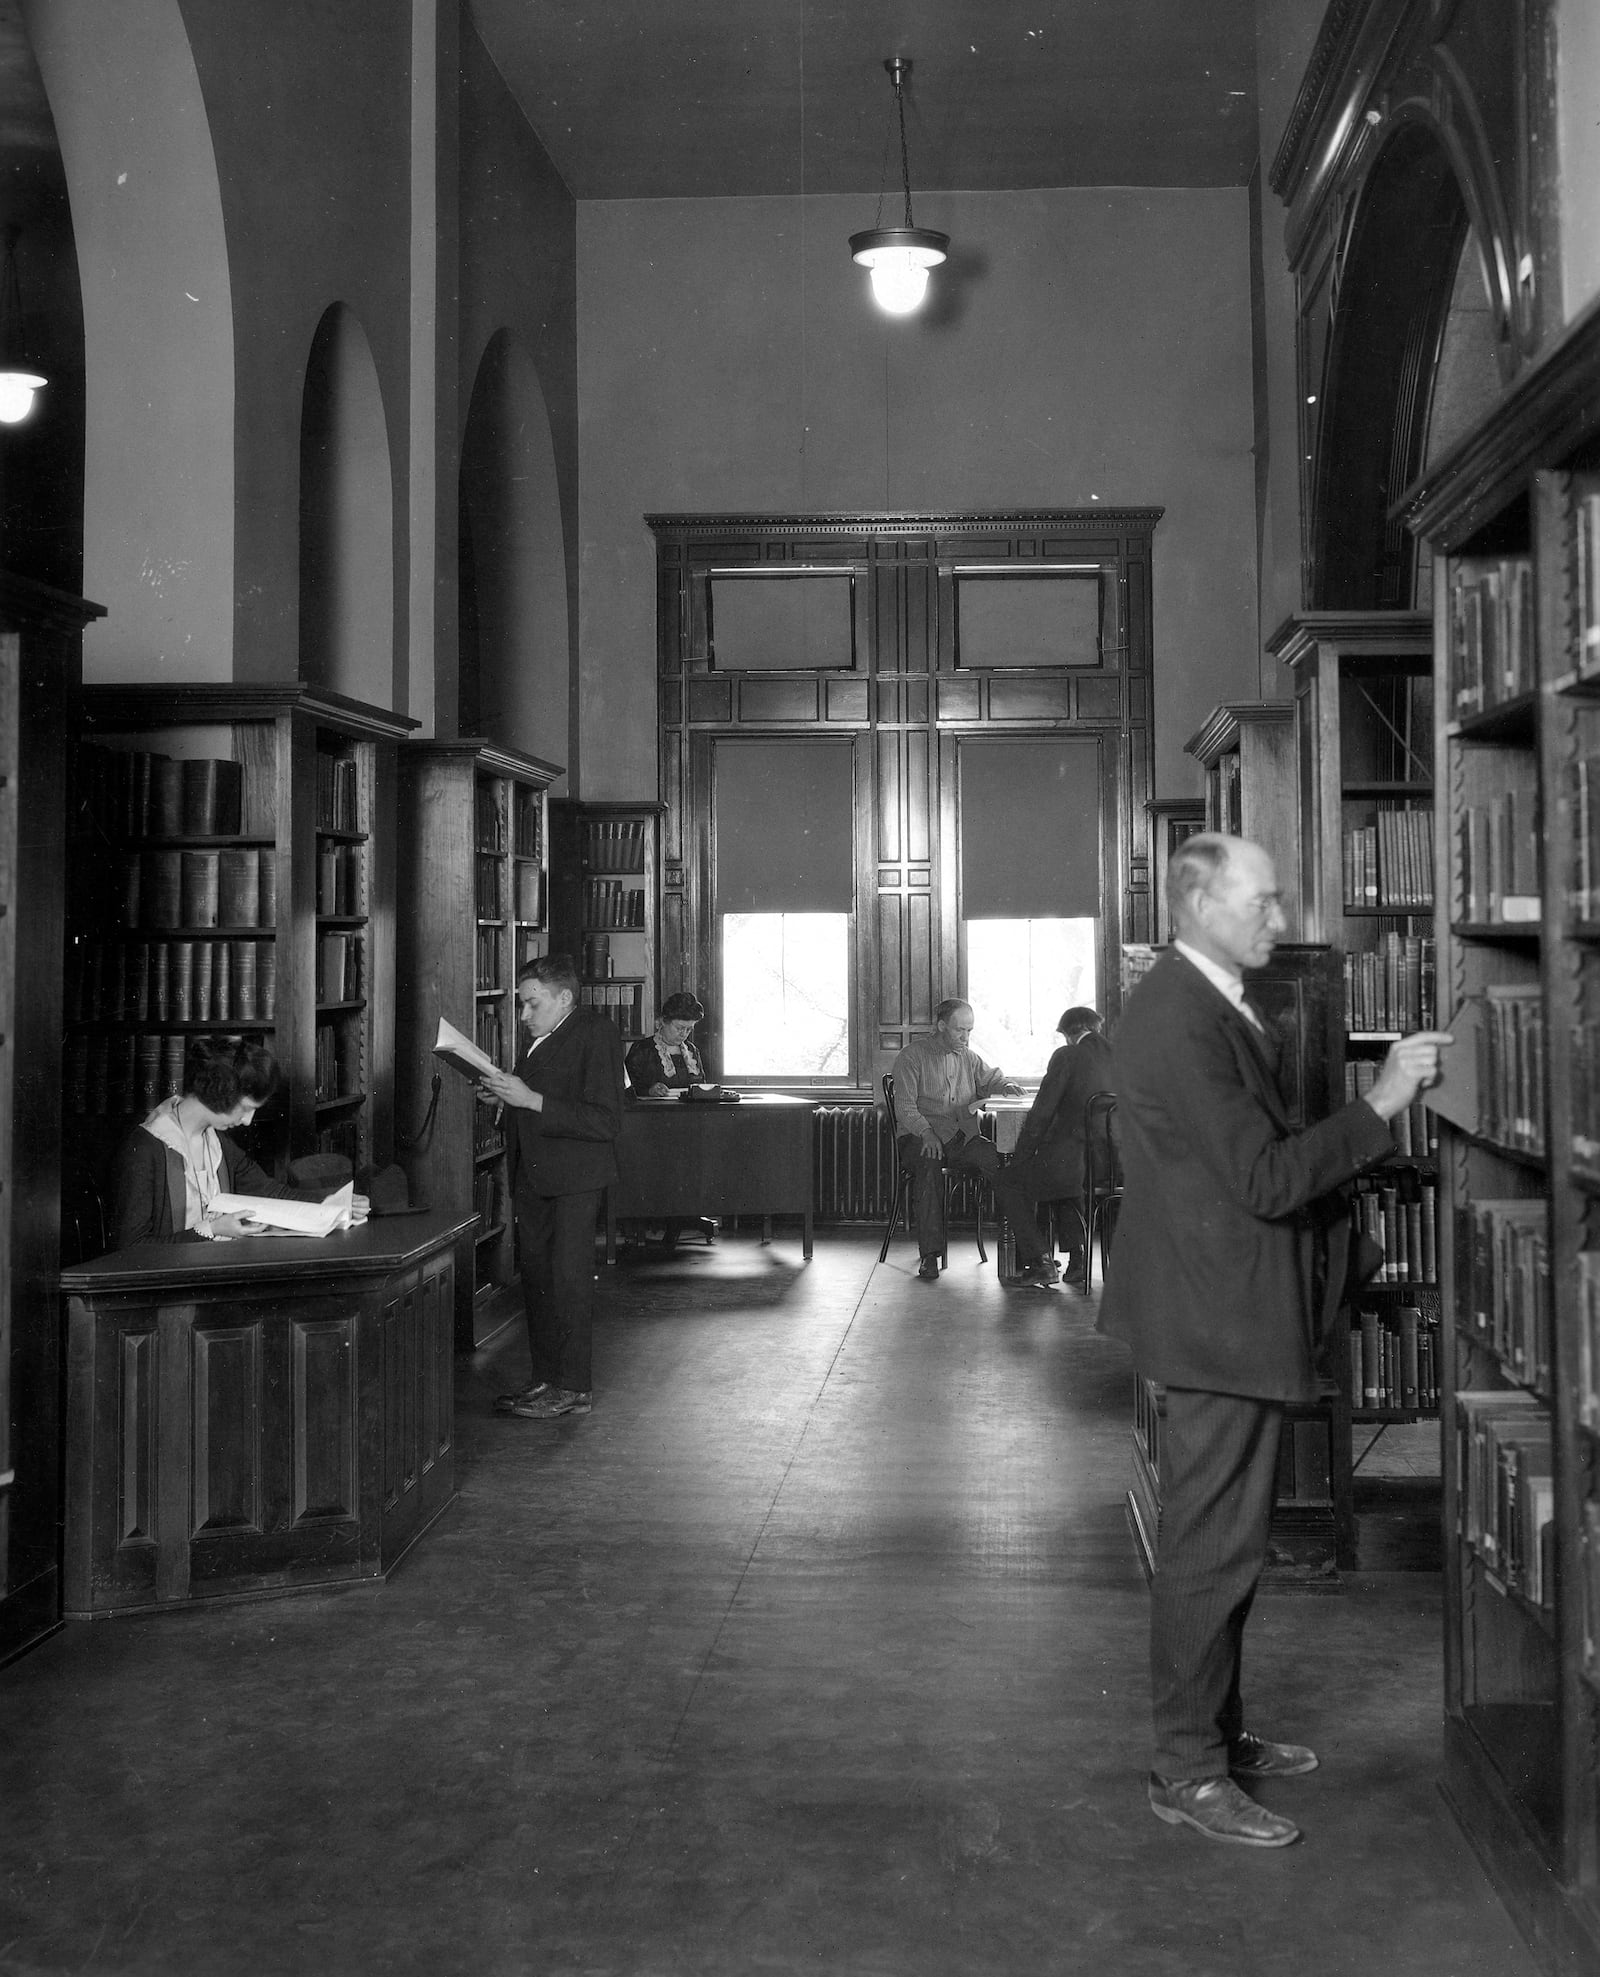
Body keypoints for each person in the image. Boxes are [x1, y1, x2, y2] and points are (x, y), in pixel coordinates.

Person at [1098, 833, 1447, 1848]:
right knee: (1209, 1549)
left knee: (1228, 1545)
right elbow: (1263, 1179)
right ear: (1199, 902)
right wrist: (1380, 1102)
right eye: (1260, 902)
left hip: (1221, 1308)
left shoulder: (1203, 1000)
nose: (1277, 920)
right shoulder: (1176, 1015)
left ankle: (1215, 1732)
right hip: (1214, 1319)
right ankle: (1185, 1771)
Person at [479, 953, 625, 1421]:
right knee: (539, 1282)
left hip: (574, 1181)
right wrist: (507, 1097)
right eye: (521, 1006)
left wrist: (530, 1098)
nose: (523, 1016)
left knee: (568, 1282)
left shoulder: (595, 1033)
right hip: (536, 1176)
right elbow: (541, 1100)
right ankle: (547, 1380)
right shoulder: (543, 1038)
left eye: (531, 1005)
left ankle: (574, 1388)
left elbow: (605, 1121)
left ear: (565, 998)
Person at [108, 1037, 367, 1247]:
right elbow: (132, 1248)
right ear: (218, 1093)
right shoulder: (145, 1148)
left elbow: (271, 1192)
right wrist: (209, 1230)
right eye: (245, 1108)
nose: (247, 1121)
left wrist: (332, 1203)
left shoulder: (217, 1142)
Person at [890, 998, 1059, 1288]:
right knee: (929, 1166)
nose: (965, 1037)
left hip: (962, 1139)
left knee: (1007, 1169)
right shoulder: (912, 1056)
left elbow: (990, 1078)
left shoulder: (968, 1057)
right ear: (941, 1026)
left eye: (969, 1031)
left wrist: (1003, 1085)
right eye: (959, 1030)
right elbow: (904, 1106)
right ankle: (930, 1255)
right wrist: (926, 1132)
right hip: (921, 1137)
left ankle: (1038, 1257)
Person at [1007, 1005, 1114, 1289]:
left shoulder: (1068, 1055)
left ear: (1068, 1033)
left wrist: (1021, 1155)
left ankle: (1041, 1262)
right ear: (1095, 1028)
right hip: (1115, 1168)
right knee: (1066, 1182)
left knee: (1011, 1182)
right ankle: (1077, 1260)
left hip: (1075, 1163)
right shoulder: (1120, 1056)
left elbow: (1042, 1112)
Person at [625, 991, 706, 1094]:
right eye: (679, 1028)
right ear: (664, 1021)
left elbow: (702, 1087)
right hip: (653, 1109)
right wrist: (649, 1091)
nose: (684, 1034)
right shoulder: (642, 1049)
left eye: (689, 1029)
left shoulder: (692, 1050)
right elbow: (627, 1089)